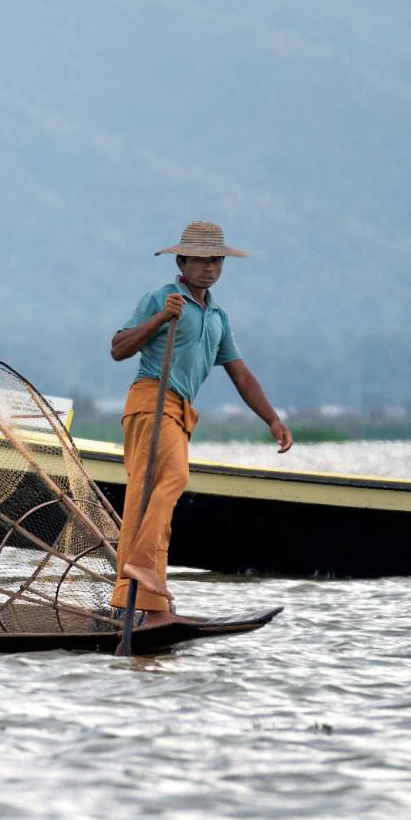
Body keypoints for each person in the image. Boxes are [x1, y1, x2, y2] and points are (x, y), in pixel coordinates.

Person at [109, 220, 291, 626]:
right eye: (201, 261)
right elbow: (118, 348)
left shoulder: (218, 317)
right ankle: (140, 565)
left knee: (148, 504)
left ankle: (149, 609)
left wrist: (272, 419)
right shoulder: (161, 298)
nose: (210, 268)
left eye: (217, 261)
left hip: (179, 410)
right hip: (151, 401)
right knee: (173, 479)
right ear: (182, 262)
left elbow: (241, 375)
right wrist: (160, 318)